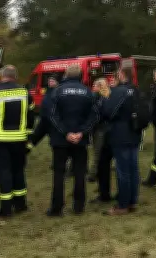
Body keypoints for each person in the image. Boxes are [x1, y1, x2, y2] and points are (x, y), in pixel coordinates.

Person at [0, 65, 35, 218]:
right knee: (18, 171)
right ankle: (20, 204)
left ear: (2, 76)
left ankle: (6, 209)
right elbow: (31, 118)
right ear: (15, 76)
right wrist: (28, 138)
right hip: (20, 140)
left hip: (0, 141)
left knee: (4, 172)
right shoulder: (25, 93)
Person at [47, 63, 99, 216]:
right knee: (79, 173)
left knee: (58, 173)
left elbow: (52, 115)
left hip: (60, 140)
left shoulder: (57, 92)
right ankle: (79, 206)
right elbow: (95, 115)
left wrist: (65, 133)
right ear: (81, 75)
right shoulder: (88, 92)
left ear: (66, 75)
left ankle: (56, 208)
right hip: (80, 140)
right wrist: (81, 132)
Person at [102, 67, 142, 215]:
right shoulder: (136, 90)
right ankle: (132, 201)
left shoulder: (118, 91)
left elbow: (108, 112)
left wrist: (105, 100)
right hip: (135, 133)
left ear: (121, 75)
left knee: (123, 171)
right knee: (133, 169)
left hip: (120, 134)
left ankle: (123, 205)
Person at [89, 79, 115, 205]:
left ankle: (98, 181)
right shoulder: (108, 96)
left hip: (101, 131)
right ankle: (101, 185)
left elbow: (100, 115)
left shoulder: (102, 99)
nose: (92, 87)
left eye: (94, 85)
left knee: (99, 157)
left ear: (99, 87)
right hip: (105, 130)